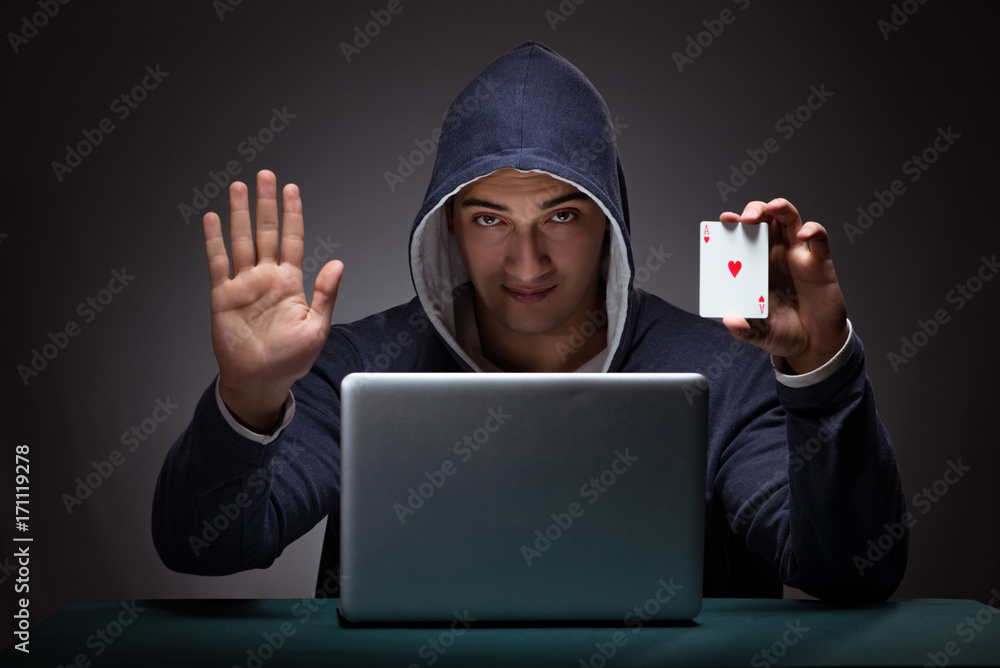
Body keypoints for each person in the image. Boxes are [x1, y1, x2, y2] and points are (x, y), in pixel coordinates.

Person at [152, 42, 908, 601]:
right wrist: (247, 396)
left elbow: (851, 570)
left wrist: (820, 374)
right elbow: (202, 546)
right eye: (489, 218)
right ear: (447, 225)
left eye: (562, 215)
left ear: (611, 223)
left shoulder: (727, 369)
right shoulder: (354, 365)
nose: (525, 262)